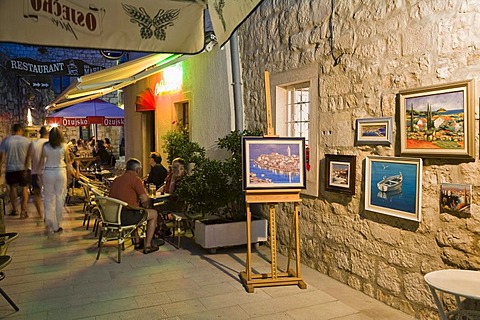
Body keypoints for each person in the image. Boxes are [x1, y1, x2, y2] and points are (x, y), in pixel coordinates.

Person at [109, 158, 161, 254]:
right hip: (126, 217)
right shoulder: (136, 180)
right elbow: (144, 199)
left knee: (135, 209)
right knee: (153, 214)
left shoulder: (116, 180)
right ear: (137, 170)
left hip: (111, 216)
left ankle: (137, 242)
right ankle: (148, 245)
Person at [38, 127, 71, 234]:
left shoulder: (45, 146)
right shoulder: (64, 146)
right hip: (60, 171)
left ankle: (49, 221)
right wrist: (70, 174)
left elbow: (41, 160)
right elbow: (68, 161)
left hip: (48, 171)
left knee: (48, 197)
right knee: (59, 197)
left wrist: (39, 174)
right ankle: (57, 224)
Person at [0, 123, 31, 218]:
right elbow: (30, 155)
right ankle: (23, 211)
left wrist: (0, 168)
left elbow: (2, 157)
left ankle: (15, 210)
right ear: (21, 130)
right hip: (24, 168)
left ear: (13, 130)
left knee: (13, 188)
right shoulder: (27, 141)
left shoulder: (6, 140)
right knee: (25, 189)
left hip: (11, 168)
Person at [25, 126, 48, 219]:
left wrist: (27, 168)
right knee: (49, 194)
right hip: (48, 170)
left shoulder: (33, 143)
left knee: (37, 194)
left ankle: (40, 214)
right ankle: (48, 213)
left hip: (35, 171)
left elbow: (28, 157)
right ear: (47, 134)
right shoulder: (49, 143)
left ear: (39, 134)